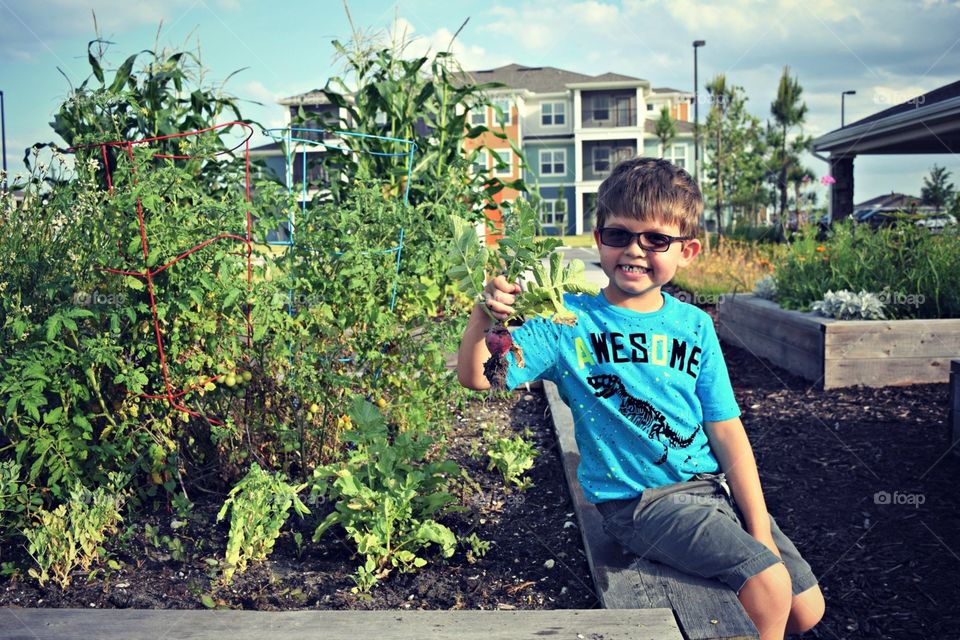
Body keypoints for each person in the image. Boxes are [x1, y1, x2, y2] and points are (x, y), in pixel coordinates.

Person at [457, 157, 824, 640]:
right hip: (638, 502)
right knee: (770, 587)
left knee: (807, 609)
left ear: (688, 250)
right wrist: (484, 316)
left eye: (655, 239)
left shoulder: (694, 326)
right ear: (598, 239)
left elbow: (725, 428)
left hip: (711, 490)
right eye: (619, 235)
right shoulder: (568, 322)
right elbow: (477, 377)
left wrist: (758, 530)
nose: (634, 249)